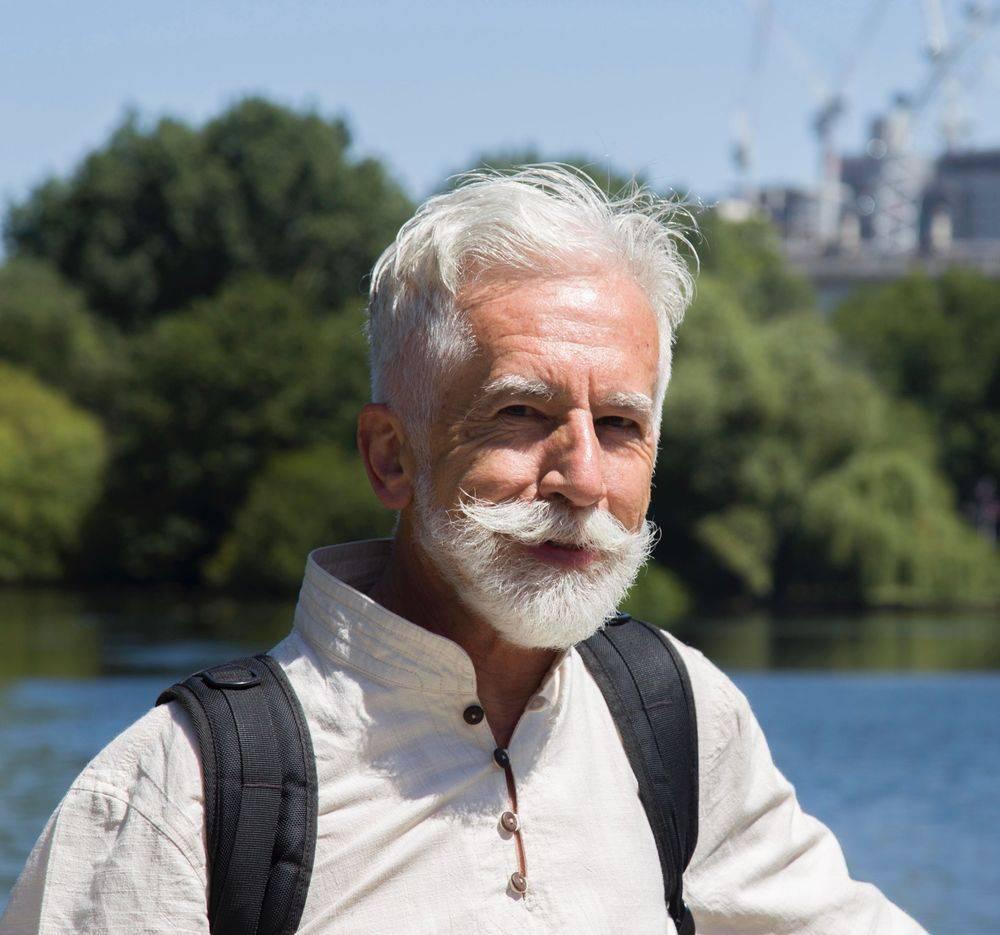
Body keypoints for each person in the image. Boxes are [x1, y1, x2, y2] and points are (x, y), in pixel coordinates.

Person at [2, 166, 926, 934]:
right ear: (391, 455)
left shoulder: (674, 715)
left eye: (619, 424)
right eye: (521, 413)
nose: (582, 477)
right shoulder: (185, 792)